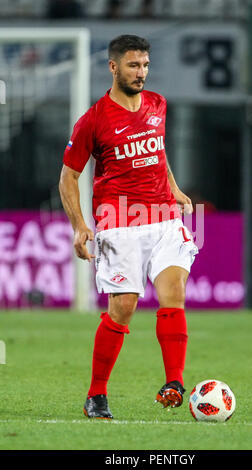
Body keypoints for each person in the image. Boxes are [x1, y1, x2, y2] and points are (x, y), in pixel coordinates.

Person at [59, 35, 198, 419]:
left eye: (146, 65)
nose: (142, 73)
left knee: (174, 291)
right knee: (123, 308)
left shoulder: (157, 104)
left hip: (164, 217)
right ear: (114, 67)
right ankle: (96, 395)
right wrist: (80, 226)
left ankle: (174, 382)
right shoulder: (94, 119)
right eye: (134, 65)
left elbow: (158, 150)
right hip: (120, 223)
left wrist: (174, 188)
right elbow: (68, 177)